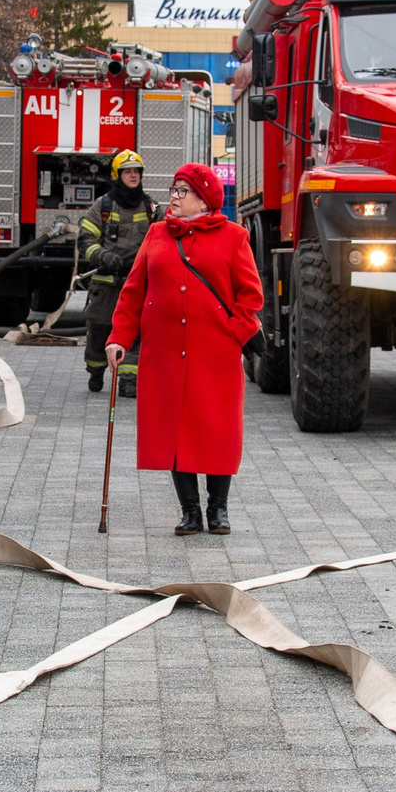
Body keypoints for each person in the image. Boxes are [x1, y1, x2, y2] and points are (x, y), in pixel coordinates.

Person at [104, 161, 262, 536]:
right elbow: (133, 292)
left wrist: (233, 335)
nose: (173, 197)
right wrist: (118, 338)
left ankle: (218, 509)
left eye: (182, 191)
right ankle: (189, 511)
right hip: (164, 353)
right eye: (172, 190)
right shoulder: (157, 234)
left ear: (203, 198)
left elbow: (250, 296)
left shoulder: (234, 236)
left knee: (217, 428)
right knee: (174, 430)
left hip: (215, 354)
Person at [78, 150, 159, 394]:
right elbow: (85, 240)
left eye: (137, 171)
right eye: (128, 172)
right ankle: (95, 370)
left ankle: (128, 380)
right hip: (106, 281)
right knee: (100, 330)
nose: (133, 176)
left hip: (137, 283)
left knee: (135, 332)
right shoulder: (102, 205)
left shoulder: (151, 207)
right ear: (117, 175)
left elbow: (165, 238)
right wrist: (103, 256)